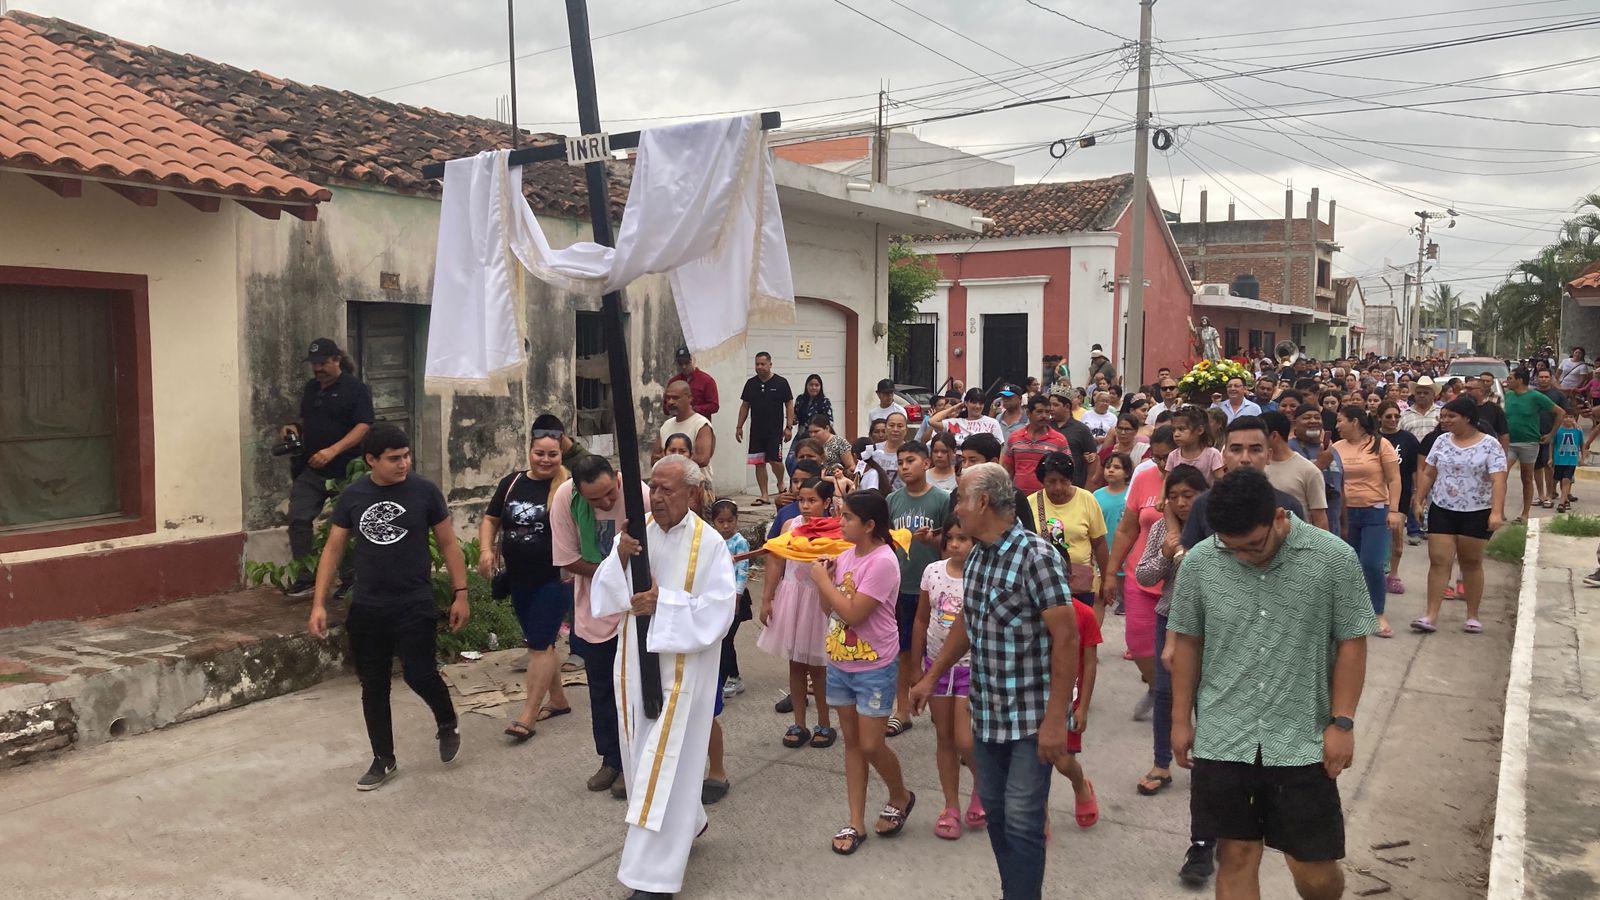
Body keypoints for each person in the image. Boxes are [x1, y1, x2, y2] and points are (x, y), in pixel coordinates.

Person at [1169, 468, 1377, 900]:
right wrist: (1180, 720)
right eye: (1232, 548)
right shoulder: (1201, 563)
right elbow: (1187, 641)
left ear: (1279, 517)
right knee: (1235, 855)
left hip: (1300, 737)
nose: (1243, 557)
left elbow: (1352, 642)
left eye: (1254, 545)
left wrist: (1342, 723)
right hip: (1224, 734)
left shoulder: (1333, 558)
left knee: (1314, 870)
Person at [911, 463, 1080, 900]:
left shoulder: (1037, 556)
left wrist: (1056, 721)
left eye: (960, 498)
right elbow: (968, 622)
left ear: (983, 502)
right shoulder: (978, 556)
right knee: (1000, 816)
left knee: (1023, 822)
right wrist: (931, 677)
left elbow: (1067, 639)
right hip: (986, 714)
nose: (955, 508)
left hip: (1029, 720)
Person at [592, 454, 736, 900]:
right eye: (652, 487)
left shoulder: (709, 544)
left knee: (663, 764)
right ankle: (690, 820)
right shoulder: (638, 534)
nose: (655, 497)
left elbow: (719, 610)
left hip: (683, 671)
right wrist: (620, 555)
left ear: (693, 493)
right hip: (637, 666)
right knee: (643, 757)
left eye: (666, 489)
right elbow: (607, 596)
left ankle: (652, 879)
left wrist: (664, 603)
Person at [306, 424, 465, 790]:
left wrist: (461, 593)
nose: (403, 464)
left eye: (406, 456)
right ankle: (383, 759)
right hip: (368, 606)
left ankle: (446, 721)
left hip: (414, 601)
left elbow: (448, 544)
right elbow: (333, 549)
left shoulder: (424, 491)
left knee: (419, 673)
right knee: (373, 685)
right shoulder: (354, 496)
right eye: (394, 459)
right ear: (371, 460)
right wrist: (318, 604)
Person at [813, 492, 916, 856]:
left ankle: (900, 795)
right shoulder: (845, 556)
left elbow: (855, 614)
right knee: (853, 744)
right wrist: (826, 581)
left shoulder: (883, 561)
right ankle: (855, 821)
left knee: (871, 744)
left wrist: (823, 582)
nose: (839, 523)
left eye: (847, 517)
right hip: (841, 662)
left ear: (870, 525)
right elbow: (830, 609)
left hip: (874, 666)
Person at [551, 455, 649, 797]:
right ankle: (611, 759)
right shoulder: (565, 499)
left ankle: (634, 761)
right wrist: (613, 568)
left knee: (634, 688)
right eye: (596, 500)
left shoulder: (639, 494)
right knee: (602, 687)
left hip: (634, 606)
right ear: (579, 493)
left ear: (616, 478)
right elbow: (568, 559)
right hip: (593, 608)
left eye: (610, 494)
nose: (606, 503)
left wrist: (622, 577)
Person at [479, 426, 574, 742]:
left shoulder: (568, 487)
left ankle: (527, 715)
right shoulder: (512, 482)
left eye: (552, 454)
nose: (545, 460)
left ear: (561, 455)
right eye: (539, 453)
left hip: (555, 578)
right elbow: (491, 519)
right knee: (541, 643)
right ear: (529, 452)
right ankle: (558, 700)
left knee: (539, 644)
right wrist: (485, 550)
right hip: (518, 578)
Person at [1131, 464, 1207, 806]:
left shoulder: (1214, 526)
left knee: (1206, 694)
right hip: (1169, 616)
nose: (1180, 503)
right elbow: (1144, 575)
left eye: (1188, 495)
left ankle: (1208, 763)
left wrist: (1183, 546)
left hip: (1208, 621)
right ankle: (1162, 764)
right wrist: (1165, 553)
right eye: (1173, 496)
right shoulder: (1161, 527)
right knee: (1164, 692)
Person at [910, 516, 985, 840]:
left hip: (972, 666)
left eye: (963, 538)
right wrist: (916, 668)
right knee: (944, 738)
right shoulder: (933, 572)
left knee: (965, 740)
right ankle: (951, 805)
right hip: (936, 667)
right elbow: (920, 620)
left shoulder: (982, 575)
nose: (955, 544)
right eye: (950, 538)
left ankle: (982, 786)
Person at [284, 338, 374, 596]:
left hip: (346, 469)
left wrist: (333, 450)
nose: (317, 369)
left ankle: (350, 580)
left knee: (348, 524)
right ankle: (306, 577)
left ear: (337, 360)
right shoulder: (312, 388)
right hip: (312, 467)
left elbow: (363, 426)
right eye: (314, 364)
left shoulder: (355, 389)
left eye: (322, 363)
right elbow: (307, 420)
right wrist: (292, 429)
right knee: (298, 518)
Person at [1411, 397, 1507, 634]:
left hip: (1477, 510)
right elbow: (1429, 472)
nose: (1445, 420)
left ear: (1467, 418)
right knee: (1439, 561)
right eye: (1443, 416)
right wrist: (1419, 499)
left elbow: (1498, 480)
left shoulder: (1490, 445)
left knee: (1471, 562)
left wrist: (1496, 512)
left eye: (1451, 416)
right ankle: (1430, 615)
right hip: (1443, 508)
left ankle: (1472, 615)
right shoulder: (1441, 441)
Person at [758, 478, 837, 748]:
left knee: (818, 667)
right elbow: (776, 560)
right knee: (795, 663)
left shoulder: (834, 531)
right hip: (792, 597)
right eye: (802, 500)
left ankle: (824, 723)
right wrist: (767, 599)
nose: (805, 506)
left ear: (826, 502)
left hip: (818, 601)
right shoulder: (790, 526)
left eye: (812, 500)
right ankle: (799, 723)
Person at [886, 442, 951, 736]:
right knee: (903, 651)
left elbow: (950, 544)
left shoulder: (941, 500)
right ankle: (902, 710)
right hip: (901, 587)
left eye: (910, 460)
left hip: (935, 589)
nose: (904, 467)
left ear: (926, 464)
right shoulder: (892, 500)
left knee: (936, 649)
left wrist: (932, 540)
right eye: (900, 462)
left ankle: (939, 706)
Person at [1333, 406, 1403, 639]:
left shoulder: (1380, 444)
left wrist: (1394, 510)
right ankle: (1350, 610)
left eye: (1341, 421)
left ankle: (1377, 612)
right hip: (1346, 513)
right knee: (1347, 564)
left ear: (1355, 422)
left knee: (1372, 564)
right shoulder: (1336, 447)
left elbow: (1394, 478)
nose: (1337, 425)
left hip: (1375, 510)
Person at [1027, 452, 1111, 621]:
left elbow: (1100, 544)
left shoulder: (1087, 499)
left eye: (1064, 481)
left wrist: (1106, 579)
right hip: (1044, 582)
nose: (1058, 487)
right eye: (1052, 481)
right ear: (1042, 481)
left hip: (1080, 584)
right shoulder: (1031, 503)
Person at [736, 352, 794, 506]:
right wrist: (739, 426)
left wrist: (788, 427)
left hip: (775, 431)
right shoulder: (751, 384)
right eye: (757, 364)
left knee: (775, 461)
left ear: (770, 364)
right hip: (756, 431)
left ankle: (780, 482)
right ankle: (764, 495)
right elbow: (745, 405)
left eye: (762, 364)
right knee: (759, 462)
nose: (759, 367)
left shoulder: (781, 383)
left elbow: (789, 404)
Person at [710, 499, 753, 703]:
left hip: (736, 598)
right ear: (714, 522)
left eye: (730, 520)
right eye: (721, 521)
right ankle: (725, 676)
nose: (726, 525)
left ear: (736, 520)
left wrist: (737, 599)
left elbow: (742, 572)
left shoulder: (739, 542)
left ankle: (732, 678)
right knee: (719, 639)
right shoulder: (712, 540)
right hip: (717, 597)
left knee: (726, 639)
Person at [1502, 368, 1559, 521]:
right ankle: (1499, 511)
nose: (1507, 381)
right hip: (1510, 443)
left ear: (1520, 380)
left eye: (1511, 378)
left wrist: (1551, 435)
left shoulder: (1535, 396)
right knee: (1501, 475)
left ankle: (1525, 514)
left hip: (1529, 443)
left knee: (1526, 478)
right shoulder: (1509, 395)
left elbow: (1560, 412)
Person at [1376, 401, 1421, 594]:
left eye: (1396, 416)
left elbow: (1415, 469)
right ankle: (1376, 573)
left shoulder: (1408, 439)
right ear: (1379, 417)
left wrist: (1417, 493)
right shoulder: (1373, 439)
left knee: (1397, 535)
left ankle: (1393, 575)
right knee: (1378, 536)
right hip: (1376, 492)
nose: (1393, 420)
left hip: (1401, 492)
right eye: (1388, 416)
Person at [1263, 411, 1331, 531]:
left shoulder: (1309, 470)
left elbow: (1319, 518)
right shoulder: (1257, 465)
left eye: (1260, 435)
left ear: (1273, 436)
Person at [1002, 394, 1069, 495]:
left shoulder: (1059, 439)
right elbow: (1008, 470)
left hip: (1048, 497)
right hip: (1019, 497)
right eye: (1039, 412)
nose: (1044, 416)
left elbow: (1067, 471)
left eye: (1047, 412)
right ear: (1028, 413)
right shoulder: (1015, 437)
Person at [655, 381, 715, 490]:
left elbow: (702, 459)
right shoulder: (666, 425)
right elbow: (655, 458)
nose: (670, 402)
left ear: (689, 398)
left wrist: (669, 459)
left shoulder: (701, 424)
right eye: (668, 398)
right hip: (670, 487)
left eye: (675, 398)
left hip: (696, 488)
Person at [1047, 386, 1103, 488]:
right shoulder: (1045, 427)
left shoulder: (1081, 429)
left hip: (1074, 483)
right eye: (1050, 404)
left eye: (1055, 405)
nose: (1051, 408)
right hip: (1048, 482)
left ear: (1067, 406)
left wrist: (1088, 487)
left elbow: (1093, 460)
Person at [1534, 369, 1568, 509]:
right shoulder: (1532, 394)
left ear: (1551, 378)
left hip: (1552, 436)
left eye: (1546, 377)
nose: (1543, 379)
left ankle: (1549, 495)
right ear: (1537, 378)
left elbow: (1565, 414)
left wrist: (1553, 434)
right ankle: (1540, 495)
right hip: (1534, 435)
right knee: (1536, 467)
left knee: (1549, 466)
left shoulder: (1558, 395)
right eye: (1541, 377)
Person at [926, 387, 1005, 446]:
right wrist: (954, 408)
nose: (977, 406)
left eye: (981, 403)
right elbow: (932, 421)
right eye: (974, 402)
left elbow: (1000, 447)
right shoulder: (955, 423)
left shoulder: (992, 423)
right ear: (966, 403)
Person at [1169, 406, 1225, 485]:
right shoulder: (1173, 456)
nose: (1176, 434)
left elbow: (1221, 481)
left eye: (1181, 429)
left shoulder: (1212, 454)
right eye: (1173, 430)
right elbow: (1167, 482)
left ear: (1200, 430)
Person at [789, 374, 832, 473]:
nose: (813, 387)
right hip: (801, 435)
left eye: (816, 385)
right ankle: (796, 479)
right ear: (806, 386)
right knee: (791, 461)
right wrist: (792, 420)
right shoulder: (801, 399)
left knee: (813, 461)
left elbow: (829, 422)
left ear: (820, 387)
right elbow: (795, 416)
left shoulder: (824, 402)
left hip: (816, 437)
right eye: (811, 385)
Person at [665, 347, 720, 418]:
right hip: (679, 422)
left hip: (699, 422)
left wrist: (693, 409)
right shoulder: (673, 382)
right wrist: (674, 408)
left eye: (687, 363)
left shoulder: (707, 380)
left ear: (693, 360)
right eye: (680, 364)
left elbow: (714, 406)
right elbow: (665, 408)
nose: (684, 366)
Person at [1553, 410, 1582, 511]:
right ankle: (1564, 499)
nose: (1568, 419)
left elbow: (1581, 444)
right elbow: (1553, 444)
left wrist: (1581, 458)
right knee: (1560, 480)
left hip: (1571, 460)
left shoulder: (1578, 431)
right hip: (1559, 460)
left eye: (1571, 417)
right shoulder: (1558, 430)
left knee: (1566, 479)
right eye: (1566, 417)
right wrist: (1551, 458)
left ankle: (1561, 503)